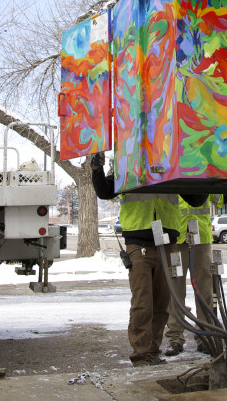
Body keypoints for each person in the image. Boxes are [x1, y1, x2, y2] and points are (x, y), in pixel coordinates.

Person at [90, 153, 206, 367]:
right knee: (143, 301)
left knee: (161, 302)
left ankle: (152, 351)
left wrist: (205, 172)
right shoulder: (128, 165)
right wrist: (97, 171)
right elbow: (105, 191)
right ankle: (142, 354)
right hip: (139, 240)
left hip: (167, 240)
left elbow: (195, 198)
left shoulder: (170, 164)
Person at [162, 193, 227, 357]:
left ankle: (204, 336)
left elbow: (221, 198)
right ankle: (175, 338)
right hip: (176, 237)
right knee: (175, 291)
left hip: (200, 237)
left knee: (204, 290)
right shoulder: (173, 174)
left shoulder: (201, 172)